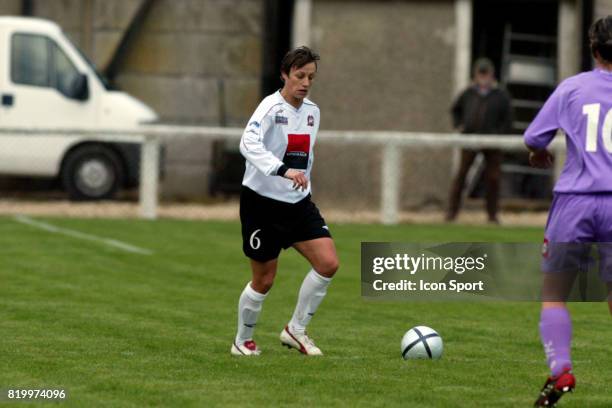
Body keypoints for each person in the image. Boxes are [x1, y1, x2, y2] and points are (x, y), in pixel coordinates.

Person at [525, 16, 612, 407]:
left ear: (593, 48)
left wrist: (539, 151)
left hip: (575, 202)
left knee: (554, 293)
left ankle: (561, 368)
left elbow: (534, 136)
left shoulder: (573, 88)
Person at [231, 46, 339, 357]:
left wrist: (300, 181)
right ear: (284, 75)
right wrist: (282, 170)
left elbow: (304, 155)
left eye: (311, 77)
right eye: (299, 75)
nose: (305, 83)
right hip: (261, 205)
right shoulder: (269, 108)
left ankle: (296, 330)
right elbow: (247, 143)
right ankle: (242, 340)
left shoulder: (312, 112)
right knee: (264, 280)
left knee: (328, 263)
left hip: (298, 204)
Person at [446, 58, 512, 223]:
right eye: (480, 73)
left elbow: (509, 119)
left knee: (493, 178)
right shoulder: (468, 93)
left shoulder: (501, 95)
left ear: (491, 75)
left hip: (492, 142)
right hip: (470, 139)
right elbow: (455, 110)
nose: (483, 77)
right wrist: (459, 126)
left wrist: (499, 135)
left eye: (486, 73)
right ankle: (451, 214)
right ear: (475, 75)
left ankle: (492, 215)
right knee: (461, 175)